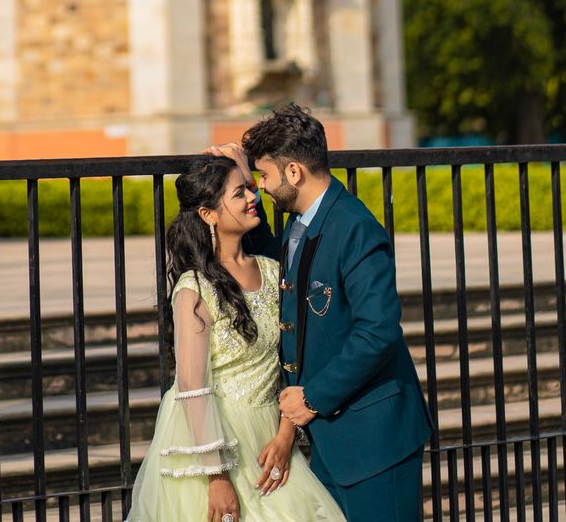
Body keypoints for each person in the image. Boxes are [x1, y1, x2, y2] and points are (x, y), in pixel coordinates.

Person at [213, 105, 431, 522]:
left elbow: (378, 332)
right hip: (332, 441)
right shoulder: (302, 220)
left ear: (294, 172)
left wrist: (312, 397)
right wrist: (239, 170)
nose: (261, 189)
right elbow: (277, 264)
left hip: (375, 438)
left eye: (264, 177)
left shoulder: (356, 228)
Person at [126, 156, 345, 522]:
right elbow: (192, 386)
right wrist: (217, 477)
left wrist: (286, 434)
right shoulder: (194, 288)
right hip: (215, 438)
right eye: (239, 192)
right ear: (209, 214)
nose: (252, 197)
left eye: (250, 188)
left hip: (272, 436)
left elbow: (295, 361)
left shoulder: (276, 271)